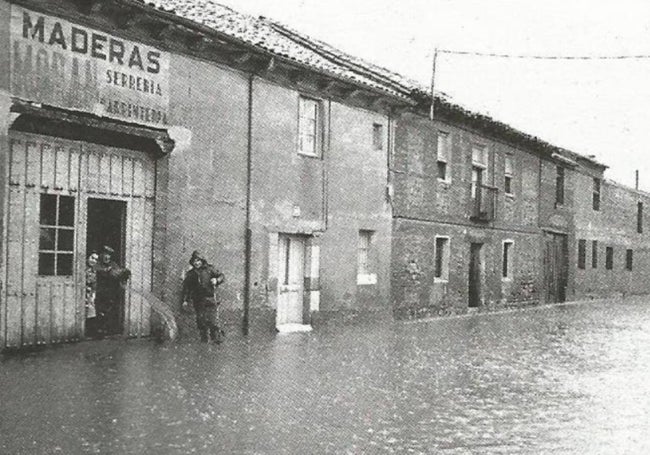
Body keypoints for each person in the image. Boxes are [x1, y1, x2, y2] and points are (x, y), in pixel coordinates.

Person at [181, 250, 225, 343]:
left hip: (211, 298)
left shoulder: (210, 269)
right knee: (201, 321)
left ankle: (216, 340)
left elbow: (221, 276)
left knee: (213, 321)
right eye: (194, 261)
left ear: (202, 260)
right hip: (198, 300)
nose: (196, 263)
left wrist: (216, 280)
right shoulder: (191, 274)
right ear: (192, 262)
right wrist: (185, 300)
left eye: (198, 260)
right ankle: (204, 341)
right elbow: (187, 288)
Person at [95, 245, 131, 336]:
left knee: (110, 310)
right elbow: (100, 272)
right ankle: (99, 330)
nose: (107, 257)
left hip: (111, 292)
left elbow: (119, 273)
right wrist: (109, 271)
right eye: (105, 255)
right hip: (99, 292)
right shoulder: (96, 264)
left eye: (109, 255)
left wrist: (123, 273)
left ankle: (108, 329)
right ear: (101, 255)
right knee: (100, 311)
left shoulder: (113, 264)